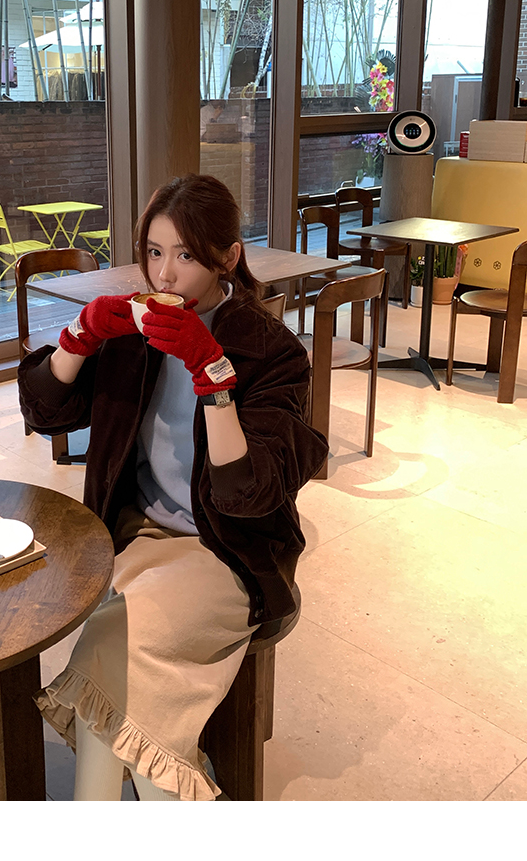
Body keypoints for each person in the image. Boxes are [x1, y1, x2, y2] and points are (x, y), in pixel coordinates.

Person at [18, 174, 328, 801]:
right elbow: (45, 413)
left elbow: (248, 494)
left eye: (186, 255)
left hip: (228, 548)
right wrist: (80, 337)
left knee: (112, 644)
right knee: (114, 650)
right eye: (155, 252)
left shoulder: (270, 350)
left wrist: (212, 373)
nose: (164, 275)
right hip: (135, 533)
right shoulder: (135, 333)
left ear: (228, 257)